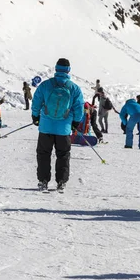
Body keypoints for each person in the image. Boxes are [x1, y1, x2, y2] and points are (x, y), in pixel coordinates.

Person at [31, 58, 84, 192]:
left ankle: (43, 181)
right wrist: (75, 123)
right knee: (63, 155)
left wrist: (36, 116)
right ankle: (61, 181)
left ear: (55, 69)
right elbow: (79, 108)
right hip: (64, 128)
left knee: (43, 154)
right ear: (68, 70)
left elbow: (36, 101)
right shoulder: (74, 88)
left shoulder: (46, 85)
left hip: (46, 126)